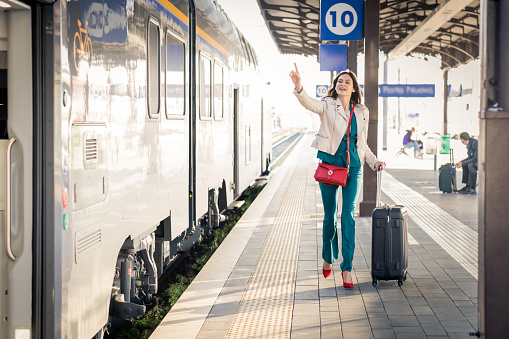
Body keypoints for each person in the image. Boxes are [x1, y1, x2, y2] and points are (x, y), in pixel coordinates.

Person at [289, 63, 386, 288]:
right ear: (335, 86)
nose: (342, 84)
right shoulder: (327, 105)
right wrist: (299, 87)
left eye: (347, 82)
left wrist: (374, 162)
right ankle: (328, 255)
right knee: (330, 216)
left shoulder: (362, 111)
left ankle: (347, 268)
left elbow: (363, 144)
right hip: (331, 167)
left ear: (354, 88)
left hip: (353, 169)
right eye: (339, 81)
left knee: (348, 216)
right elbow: (309, 103)